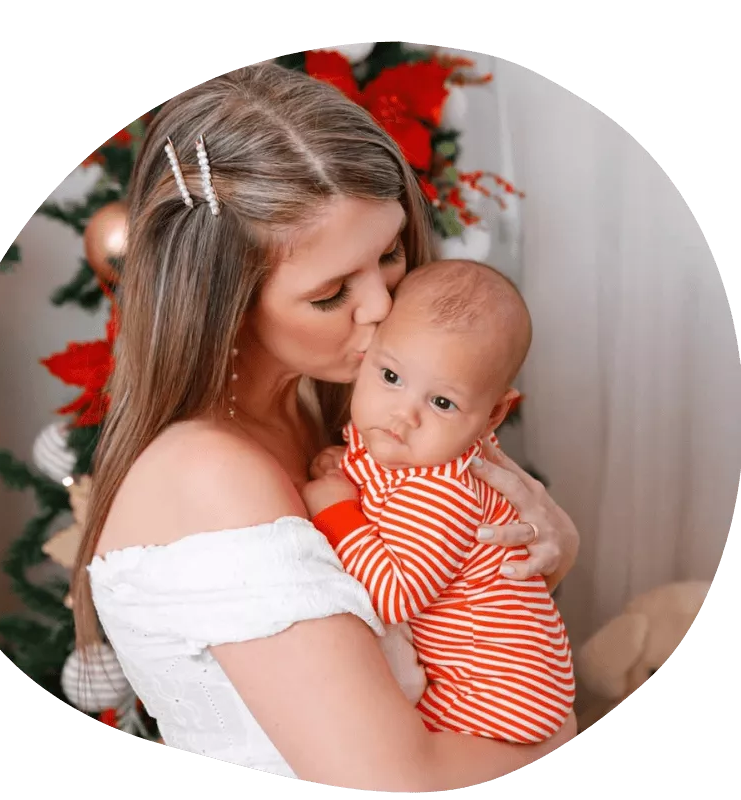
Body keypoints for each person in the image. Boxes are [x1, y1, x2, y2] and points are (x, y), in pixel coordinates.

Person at [71, 60, 580, 791]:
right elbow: (394, 783)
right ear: (224, 304)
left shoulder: (348, 408)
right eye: (333, 292)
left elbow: (458, 617)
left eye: (391, 253)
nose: (382, 305)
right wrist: (559, 732)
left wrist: (553, 553)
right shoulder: (210, 475)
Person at [302, 258, 576, 745]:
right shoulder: (410, 451)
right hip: (478, 676)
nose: (403, 415)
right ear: (368, 354)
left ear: (492, 416)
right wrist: (348, 464)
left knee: (376, 738)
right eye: (391, 377)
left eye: (442, 402)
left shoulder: (443, 489)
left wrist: (336, 509)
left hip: (494, 697)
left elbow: (395, 595)